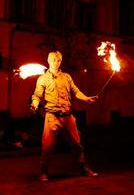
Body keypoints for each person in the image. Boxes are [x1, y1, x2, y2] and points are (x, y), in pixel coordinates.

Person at [31, 51, 98, 182]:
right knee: (47, 146)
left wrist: (86, 99)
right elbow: (37, 95)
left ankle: (84, 168)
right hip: (52, 117)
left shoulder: (67, 77)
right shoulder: (43, 78)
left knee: (77, 145)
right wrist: (34, 105)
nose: (57, 62)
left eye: (59, 60)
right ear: (49, 60)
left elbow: (75, 91)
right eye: (55, 59)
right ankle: (43, 172)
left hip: (68, 116)